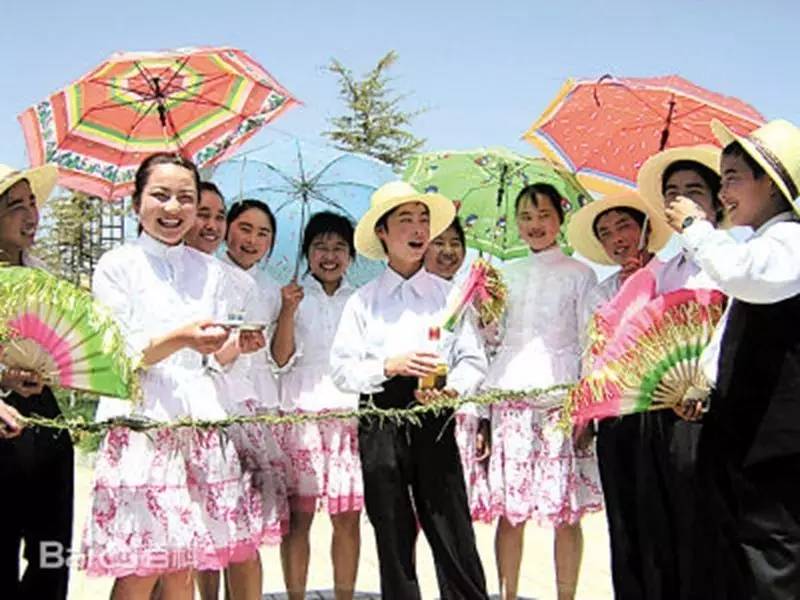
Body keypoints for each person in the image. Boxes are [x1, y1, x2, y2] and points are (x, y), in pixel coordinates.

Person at [81, 153, 265, 599]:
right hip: (143, 423)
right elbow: (117, 355)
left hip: (199, 425)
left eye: (185, 198)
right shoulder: (117, 265)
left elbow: (211, 360)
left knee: (185, 563)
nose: (173, 208)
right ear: (136, 202)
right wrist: (181, 337)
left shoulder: (211, 272)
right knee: (143, 567)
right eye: (160, 195)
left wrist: (234, 346)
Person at [330, 181, 489, 600]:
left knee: (450, 522)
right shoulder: (362, 302)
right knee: (392, 528)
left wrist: (453, 389)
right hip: (379, 416)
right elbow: (342, 370)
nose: (418, 229)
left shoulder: (450, 295)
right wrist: (388, 366)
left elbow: (474, 361)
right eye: (406, 220)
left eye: (424, 220)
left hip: (434, 416)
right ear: (382, 232)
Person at [664, 118, 800, 600]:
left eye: (733, 178)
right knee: (738, 557)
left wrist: (693, 226)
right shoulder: (762, 246)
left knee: (772, 560)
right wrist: (703, 384)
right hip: (742, 434)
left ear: (771, 182)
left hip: (775, 441)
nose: (723, 192)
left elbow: (740, 276)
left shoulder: (790, 244)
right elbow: (729, 334)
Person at [483, 183, 604, 600]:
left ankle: (565, 595)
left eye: (543, 215)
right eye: (525, 217)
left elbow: (591, 339)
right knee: (510, 508)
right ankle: (507, 593)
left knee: (565, 509)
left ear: (561, 218)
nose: (534, 225)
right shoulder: (504, 273)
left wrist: (587, 408)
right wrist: (485, 308)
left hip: (561, 398)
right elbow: (493, 339)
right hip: (510, 396)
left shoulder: (580, 273)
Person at [637, 145, 735, 599]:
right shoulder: (661, 270)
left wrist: (704, 381)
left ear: (715, 201)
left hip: (708, 411)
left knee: (703, 526)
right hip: (659, 410)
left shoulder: (730, 260)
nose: (680, 199)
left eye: (693, 191)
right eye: (671, 192)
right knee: (662, 526)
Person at [272, 211, 362, 600]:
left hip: (349, 416)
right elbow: (279, 359)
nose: (330, 255)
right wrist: (288, 311)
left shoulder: (361, 300)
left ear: (352, 256)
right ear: (306, 252)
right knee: (298, 519)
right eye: (320, 246)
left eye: (339, 247)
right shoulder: (289, 295)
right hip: (300, 413)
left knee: (348, 518)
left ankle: (344, 595)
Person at [0, 163, 75, 600]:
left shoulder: (44, 279)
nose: (32, 214)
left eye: (33, 203)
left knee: (53, 552)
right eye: (15, 206)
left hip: (46, 424)